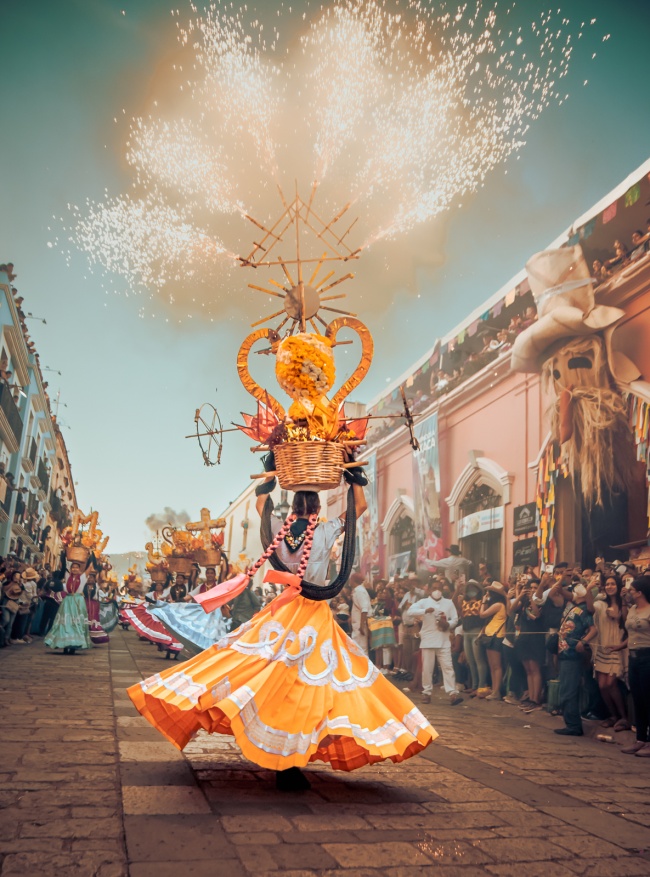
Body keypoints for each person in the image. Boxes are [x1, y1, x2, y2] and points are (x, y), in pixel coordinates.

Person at [128, 468, 437, 793]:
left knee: (266, 676)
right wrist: (354, 479)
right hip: (313, 614)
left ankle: (282, 755)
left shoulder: (278, 530)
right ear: (316, 508)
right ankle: (290, 760)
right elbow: (359, 508)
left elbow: (260, 507)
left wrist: (267, 482)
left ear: (292, 510)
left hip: (281, 614)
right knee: (310, 686)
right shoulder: (324, 531)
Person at [584, 573, 629, 731]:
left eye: (613, 584)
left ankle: (624, 717)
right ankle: (613, 716)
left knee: (611, 683)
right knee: (602, 686)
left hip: (618, 647)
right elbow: (589, 609)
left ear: (618, 586)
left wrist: (622, 601)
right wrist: (589, 590)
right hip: (602, 647)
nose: (610, 587)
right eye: (608, 584)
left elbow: (625, 621)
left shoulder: (625, 603)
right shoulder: (600, 603)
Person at [405, 581, 463, 706]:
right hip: (428, 640)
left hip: (443, 639)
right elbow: (410, 611)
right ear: (430, 589)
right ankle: (427, 692)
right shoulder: (424, 602)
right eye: (434, 588)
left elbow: (455, 619)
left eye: (439, 588)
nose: (437, 590)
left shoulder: (448, 603)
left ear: (442, 590)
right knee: (427, 668)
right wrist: (425, 611)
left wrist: (448, 624)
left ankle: (452, 693)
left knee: (447, 667)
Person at [553, 584, 594, 736]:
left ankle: (574, 726)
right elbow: (558, 590)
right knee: (565, 689)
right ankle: (570, 723)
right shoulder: (571, 607)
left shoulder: (583, 610)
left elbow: (593, 629)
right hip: (564, 652)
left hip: (572, 654)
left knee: (568, 691)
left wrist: (583, 642)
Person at [621, 576, 650, 756]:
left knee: (649, 699)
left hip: (647, 656)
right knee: (638, 699)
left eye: (632, 590)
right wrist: (620, 646)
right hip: (633, 657)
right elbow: (630, 633)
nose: (629, 593)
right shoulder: (632, 609)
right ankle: (640, 739)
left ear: (640, 592)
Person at [44, 554, 94, 655]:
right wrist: (65, 551)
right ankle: (64, 644)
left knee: (76, 623)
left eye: (77, 567)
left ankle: (74, 645)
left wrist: (91, 555)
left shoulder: (83, 577)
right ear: (70, 569)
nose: (75, 569)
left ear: (80, 569)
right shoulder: (67, 576)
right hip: (68, 601)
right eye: (73, 567)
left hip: (78, 601)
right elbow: (63, 566)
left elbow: (90, 567)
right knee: (65, 623)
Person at [477, 582, 508, 701]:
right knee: (492, 666)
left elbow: (482, 614)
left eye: (489, 592)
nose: (487, 594)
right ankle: (495, 690)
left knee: (496, 666)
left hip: (496, 637)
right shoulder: (498, 604)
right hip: (491, 636)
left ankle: (496, 691)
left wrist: (483, 602)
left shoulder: (498, 605)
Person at [456, 578, 487, 694]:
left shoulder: (482, 602)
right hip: (467, 632)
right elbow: (457, 608)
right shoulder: (463, 602)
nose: (471, 590)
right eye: (469, 588)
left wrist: (482, 631)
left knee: (479, 660)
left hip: (476, 631)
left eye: (473, 588)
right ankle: (474, 686)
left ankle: (481, 686)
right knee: (471, 660)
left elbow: (485, 619)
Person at [83, 570, 110, 645]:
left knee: (93, 620)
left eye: (92, 578)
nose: (90, 579)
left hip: (94, 605)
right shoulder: (84, 586)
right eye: (89, 577)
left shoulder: (97, 587)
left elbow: (99, 597)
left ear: (94, 579)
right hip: (85, 603)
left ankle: (93, 637)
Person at [350, 572, 371, 654]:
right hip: (357, 625)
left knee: (361, 648)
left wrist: (362, 625)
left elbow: (364, 609)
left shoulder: (360, 591)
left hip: (360, 625)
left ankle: (364, 666)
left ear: (353, 580)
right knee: (356, 648)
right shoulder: (357, 591)